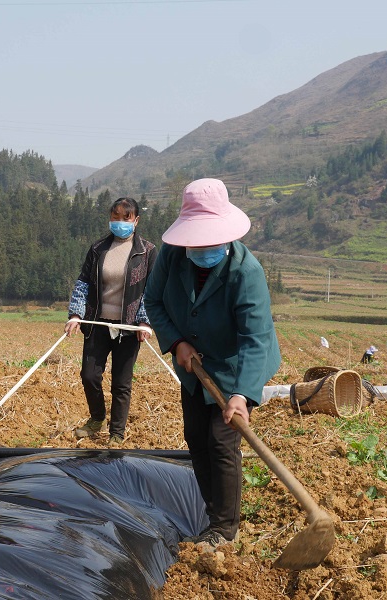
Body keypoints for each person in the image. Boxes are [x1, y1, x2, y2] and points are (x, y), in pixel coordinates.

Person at [144, 178, 281, 548]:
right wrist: (177, 342)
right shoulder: (173, 256)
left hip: (237, 366)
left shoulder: (245, 273)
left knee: (222, 442)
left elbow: (255, 339)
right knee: (196, 438)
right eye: (197, 239)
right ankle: (211, 514)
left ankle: (224, 529)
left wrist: (240, 394)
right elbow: (153, 302)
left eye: (210, 239)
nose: (203, 247)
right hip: (192, 365)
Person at [65, 197, 157, 447]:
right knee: (89, 375)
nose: (119, 222)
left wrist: (145, 322)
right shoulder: (98, 249)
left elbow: (152, 289)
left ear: (136, 220)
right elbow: (83, 282)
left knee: (121, 382)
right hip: (97, 323)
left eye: (125, 218)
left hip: (128, 328)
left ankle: (117, 432)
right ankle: (97, 418)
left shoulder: (146, 251)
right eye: (115, 216)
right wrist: (76, 314)